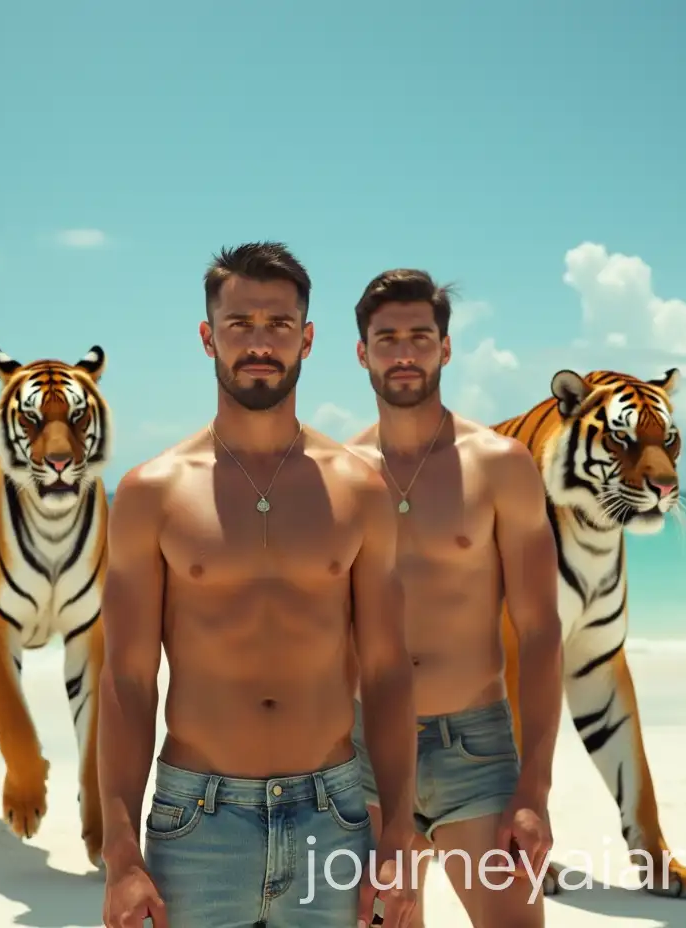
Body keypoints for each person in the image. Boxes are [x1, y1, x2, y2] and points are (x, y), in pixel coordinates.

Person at [97, 242, 421, 928]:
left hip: (332, 814)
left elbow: (389, 672)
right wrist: (121, 855)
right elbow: (127, 681)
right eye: (240, 324)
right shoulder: (150, 493)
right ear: (208, 337)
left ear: (306, 339)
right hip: (196, 821)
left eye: (278, 325)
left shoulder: (360, 488)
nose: (259, 343)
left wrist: (399, 836)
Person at [344, 269, 563, 928]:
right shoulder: (338, 473)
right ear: (362, 353)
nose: (404, 353)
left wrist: (536, 787)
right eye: (387, 339)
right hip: (363, 747)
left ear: (445, 347)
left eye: (420, 337)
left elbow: (541, 630)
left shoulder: (499, 465)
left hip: (475, 744)